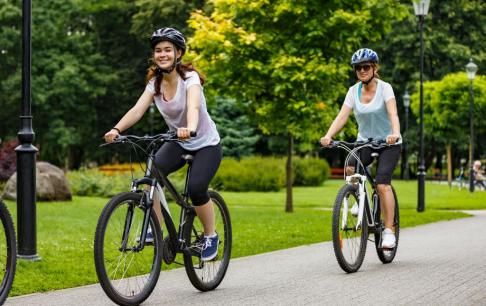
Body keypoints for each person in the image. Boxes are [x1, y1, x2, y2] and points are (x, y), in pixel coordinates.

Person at [104, 27, 222, 261]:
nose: (162, 54)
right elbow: (137, 110)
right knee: (152, 171)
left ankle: (211, 236)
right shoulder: (154, 83)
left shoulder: (190, 79)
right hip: (177, 140)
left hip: (205, 143)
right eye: (158, 50)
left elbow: (194, 106)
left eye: (168, 49)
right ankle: (154, 229)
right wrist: (117, 129)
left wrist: (189, 127)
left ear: (178, 53)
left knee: (198, 187)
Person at [320, 48, 401, 249]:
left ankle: (389, 230)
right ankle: (358, 198)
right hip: (364, 141)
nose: (362, 70)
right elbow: (342, 116)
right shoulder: (352, 91)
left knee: (382, 184)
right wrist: (329, 136)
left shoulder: (385, 88)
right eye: (358, 68)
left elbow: (393, 114)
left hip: (388, 143)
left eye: (366, 67)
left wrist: (395, 133)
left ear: (374, 68)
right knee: (350, 167)